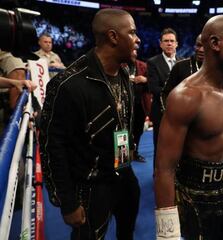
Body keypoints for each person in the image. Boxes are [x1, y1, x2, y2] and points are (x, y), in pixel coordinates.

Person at [39, 9, 141, 239]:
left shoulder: (123, 73)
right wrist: (67, 201)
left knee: (128, 232)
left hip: (123, 173)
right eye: (132, 32)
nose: (138, 39)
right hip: (91, 186)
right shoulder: (69, 84)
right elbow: (51, 145)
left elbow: (122, 120)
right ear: (113, 37)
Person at [154, 14, 223, 240]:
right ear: (216, 43)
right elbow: (164, 169)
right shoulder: (185, 97)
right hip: (195, 195)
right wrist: (166, 233)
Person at [147, 28, 180, 170]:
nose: (169, 44)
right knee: (160, 145)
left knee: (178, 145)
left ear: (177, 44)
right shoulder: (153, 62)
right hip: (160, 112)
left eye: (172, 41)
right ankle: (157, 174)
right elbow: (153, 88)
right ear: (160, 44)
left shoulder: (182, 62)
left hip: (180, 112)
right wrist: (178, 95)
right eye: (166, 41)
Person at [161, 33, 204, 106]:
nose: (201, 50)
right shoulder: (180, 66)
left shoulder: (219, 70)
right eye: (198, 45)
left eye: (205, 46)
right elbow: (166, 94)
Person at [130, 59, 149, 162]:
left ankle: (134, 153)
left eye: (135, 49)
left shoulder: (143, 65)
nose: (134, 51)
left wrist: (144, 79)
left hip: (139, 104)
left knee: (138, 130)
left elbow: (152, 80)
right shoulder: (119, 64)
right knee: (122, 131)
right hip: (124, 105)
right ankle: (122, 156)